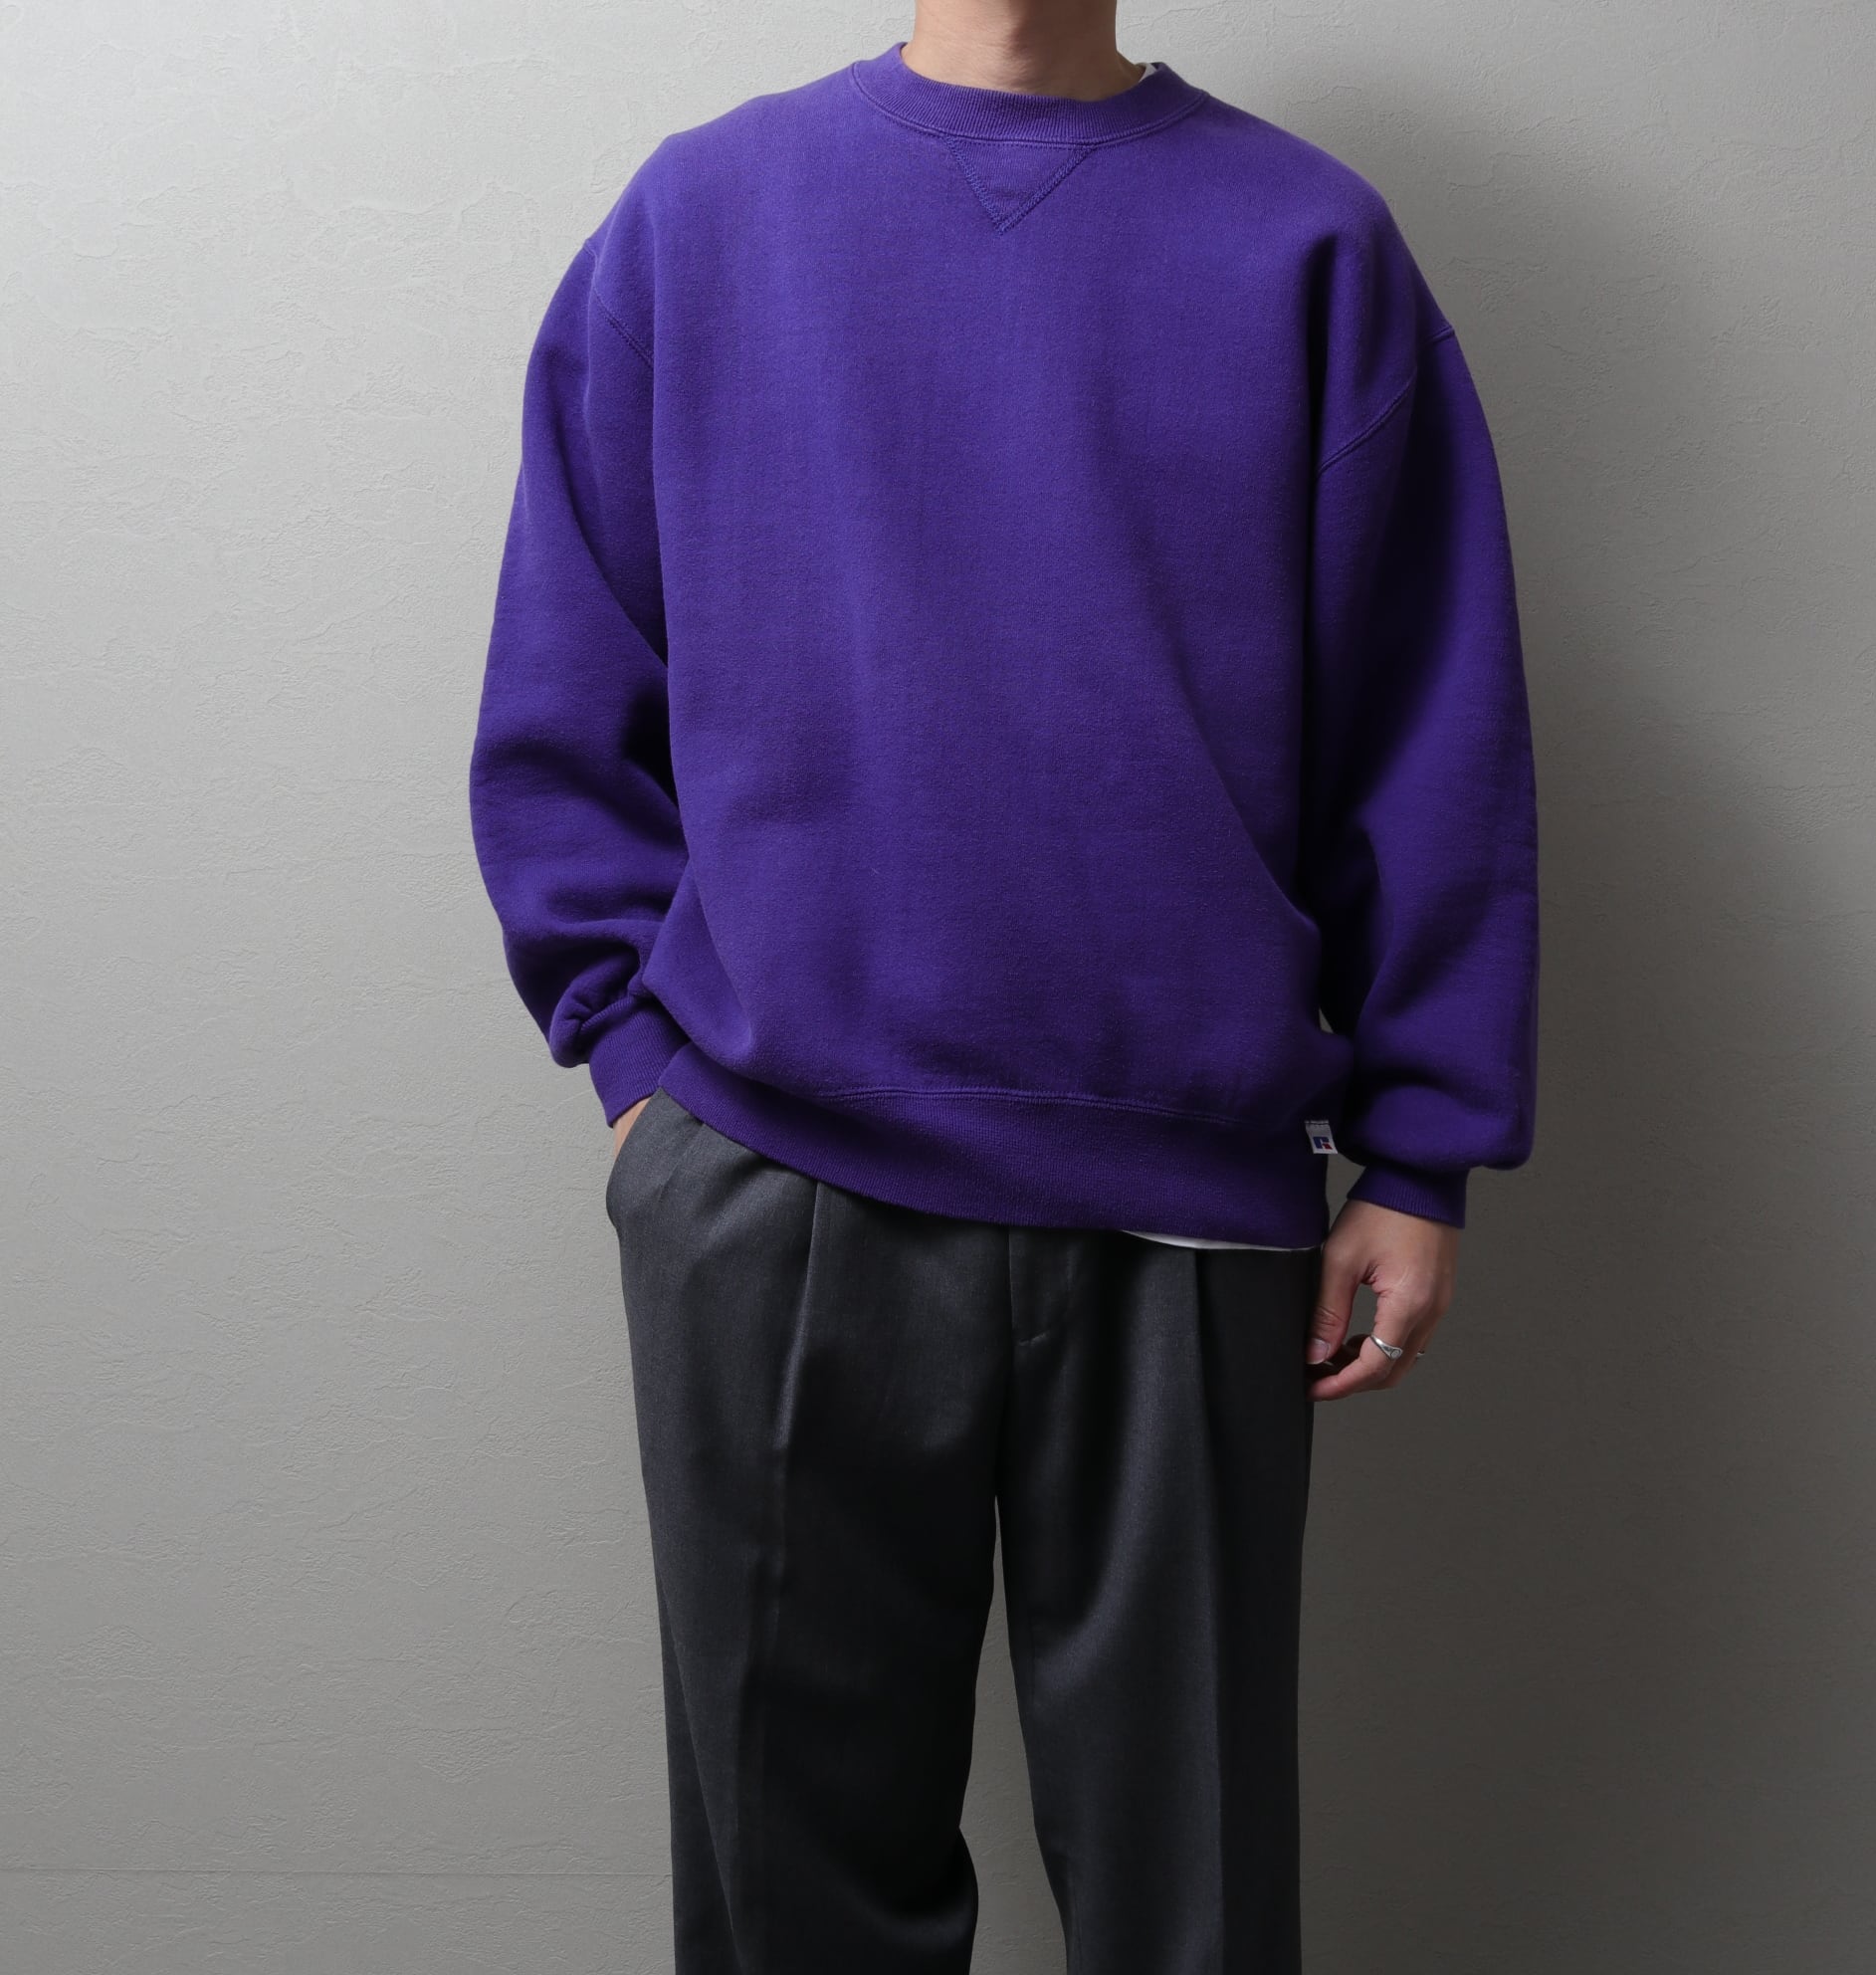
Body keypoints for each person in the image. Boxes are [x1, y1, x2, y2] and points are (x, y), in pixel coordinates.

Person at [468, 3, 1539, 1967]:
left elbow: (1425, 721)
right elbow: (568, 663)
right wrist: (635, 1067)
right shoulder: (704, 218)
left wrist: (1420, 1151)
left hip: (1188, 1198)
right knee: (791, 1906)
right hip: (777, 1173)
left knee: (1191, 1901)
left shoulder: (1308, 244)